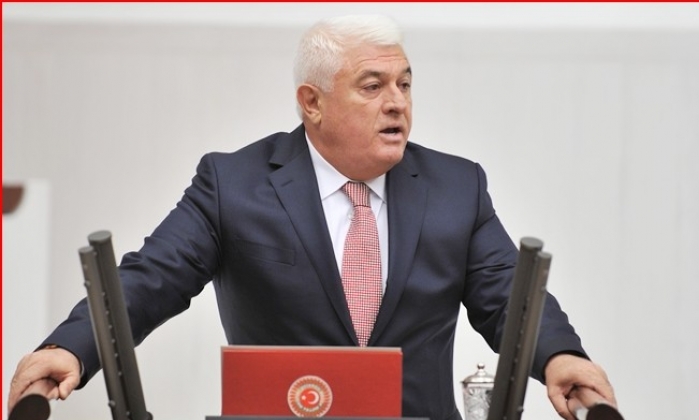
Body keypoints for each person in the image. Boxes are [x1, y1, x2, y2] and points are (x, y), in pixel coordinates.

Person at [8, 15, 615, 420]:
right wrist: (71, 348)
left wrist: (560, 357)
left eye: (405, 84)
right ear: (312, 103)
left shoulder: (457, 187)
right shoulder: (234, 186)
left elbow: (507, 296)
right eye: (372, 86)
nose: (397, 103)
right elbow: (150, 279)